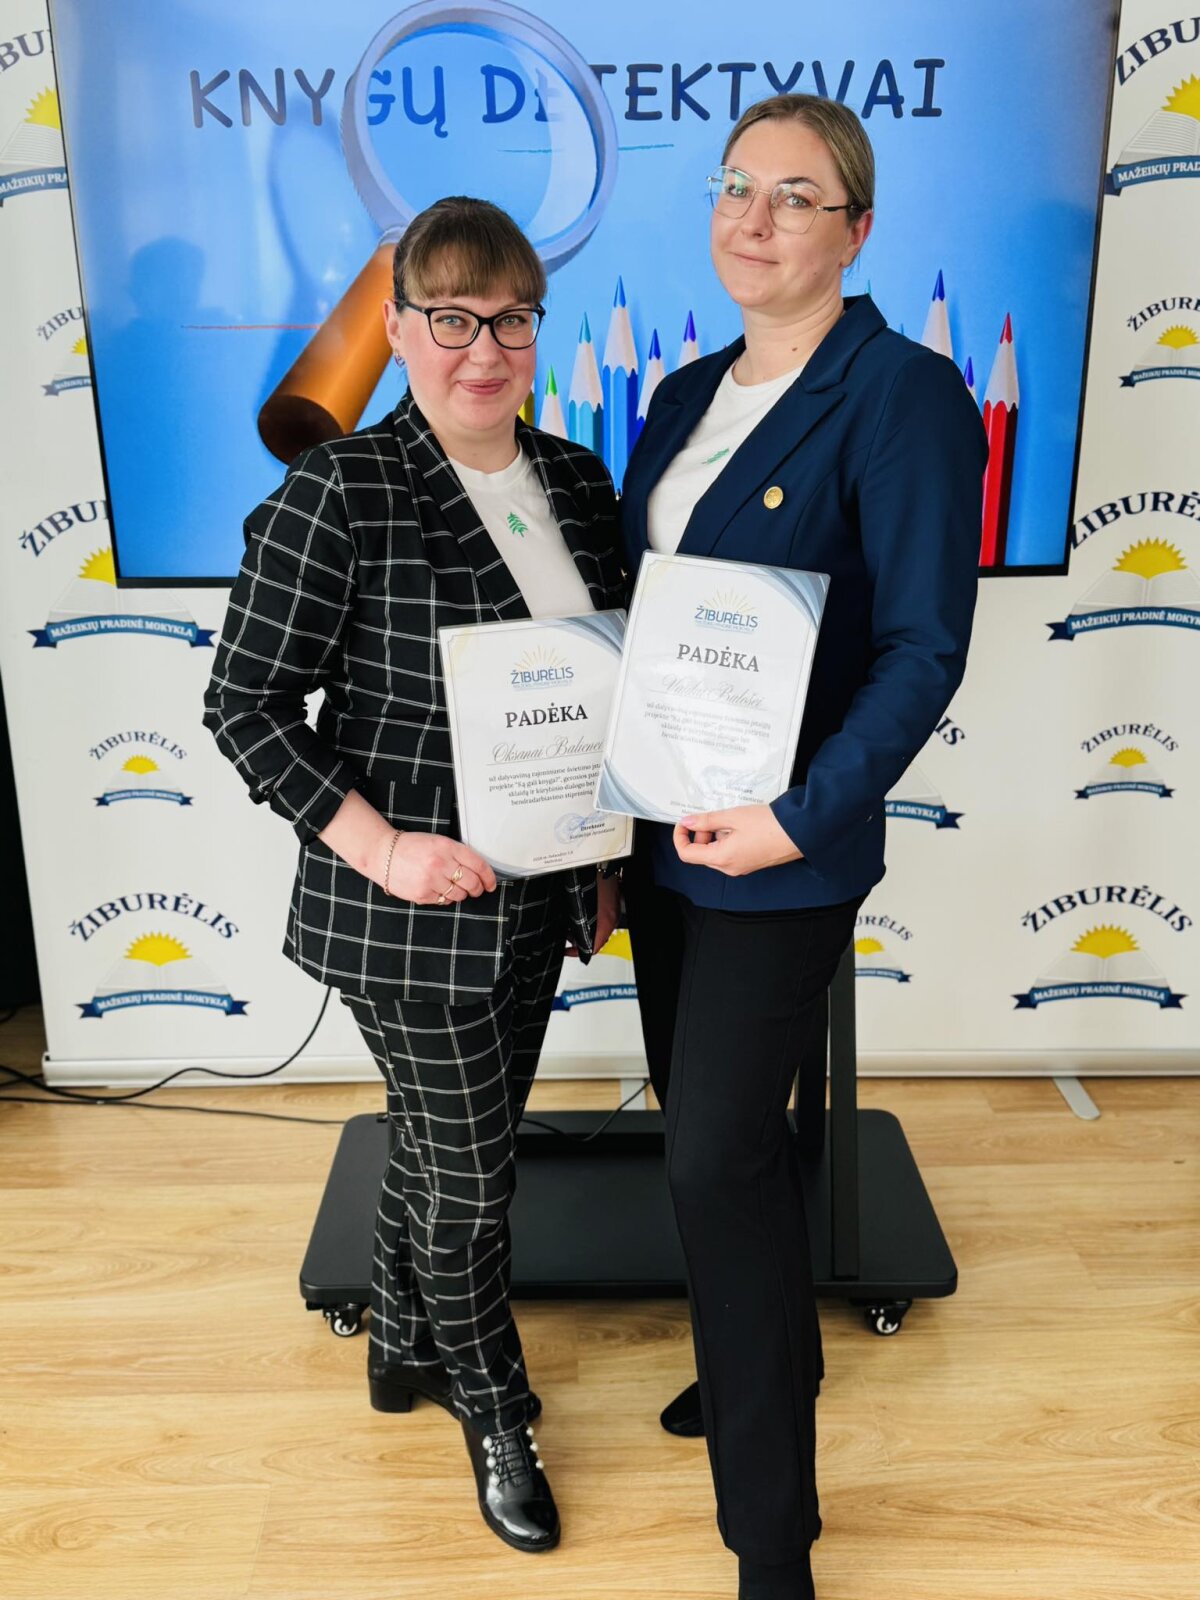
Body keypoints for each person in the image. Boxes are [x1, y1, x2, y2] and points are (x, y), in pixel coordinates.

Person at [203, 197, 623, 1556]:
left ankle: (399, 1343)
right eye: (451, 320)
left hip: (539, 897)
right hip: (405, 914)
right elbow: (243, 705)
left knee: (450, 1144)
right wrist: (382, 848)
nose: (483, 350)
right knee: (474, 1186)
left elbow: (598, 692)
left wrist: (603, 857)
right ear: (396, 330)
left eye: (510, 320)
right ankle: (497, 1412)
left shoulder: (578, 482)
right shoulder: (344, 491)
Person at [618, 96, 988, 1600]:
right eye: (734, 188)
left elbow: (923, 647)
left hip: (782, 852)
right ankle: (759, 1357)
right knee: (723, 1146)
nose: (752, 218)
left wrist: (799, 815)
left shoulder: (904, 394)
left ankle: (771, 1540)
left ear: (857, 230)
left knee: (715, 1157)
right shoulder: (682, 391)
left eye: (793, 195)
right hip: (665, 835)